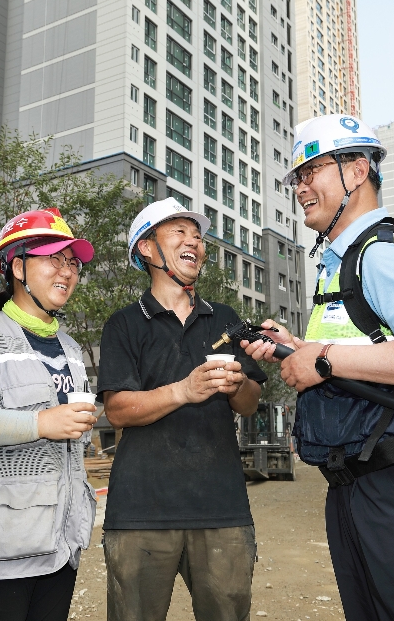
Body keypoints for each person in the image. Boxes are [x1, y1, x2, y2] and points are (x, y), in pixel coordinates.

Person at [241, 114, 394, 621]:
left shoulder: (380, 254)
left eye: (311, 171)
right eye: (295, 177)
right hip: (356, 486)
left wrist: (320, 359)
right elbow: (364, 351)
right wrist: (296, 348)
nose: (300, 187)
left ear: (358, 170)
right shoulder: (340, 263)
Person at [97, 198, 267, 621]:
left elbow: (248, 406)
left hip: (221, 507)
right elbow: (118, 411)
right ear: (147, 248)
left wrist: (239, 382)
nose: (195, 242)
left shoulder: (224, 318)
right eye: (179, 232)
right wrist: (184, 390)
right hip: (140, 512)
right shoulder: (124, 323)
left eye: (198, 236)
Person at [0, 207, 98, 621]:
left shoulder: (70, 348)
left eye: (73, 262)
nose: (67, 271)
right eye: (54, 259)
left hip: (60, 546)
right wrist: (40, 423)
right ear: (18, 267)